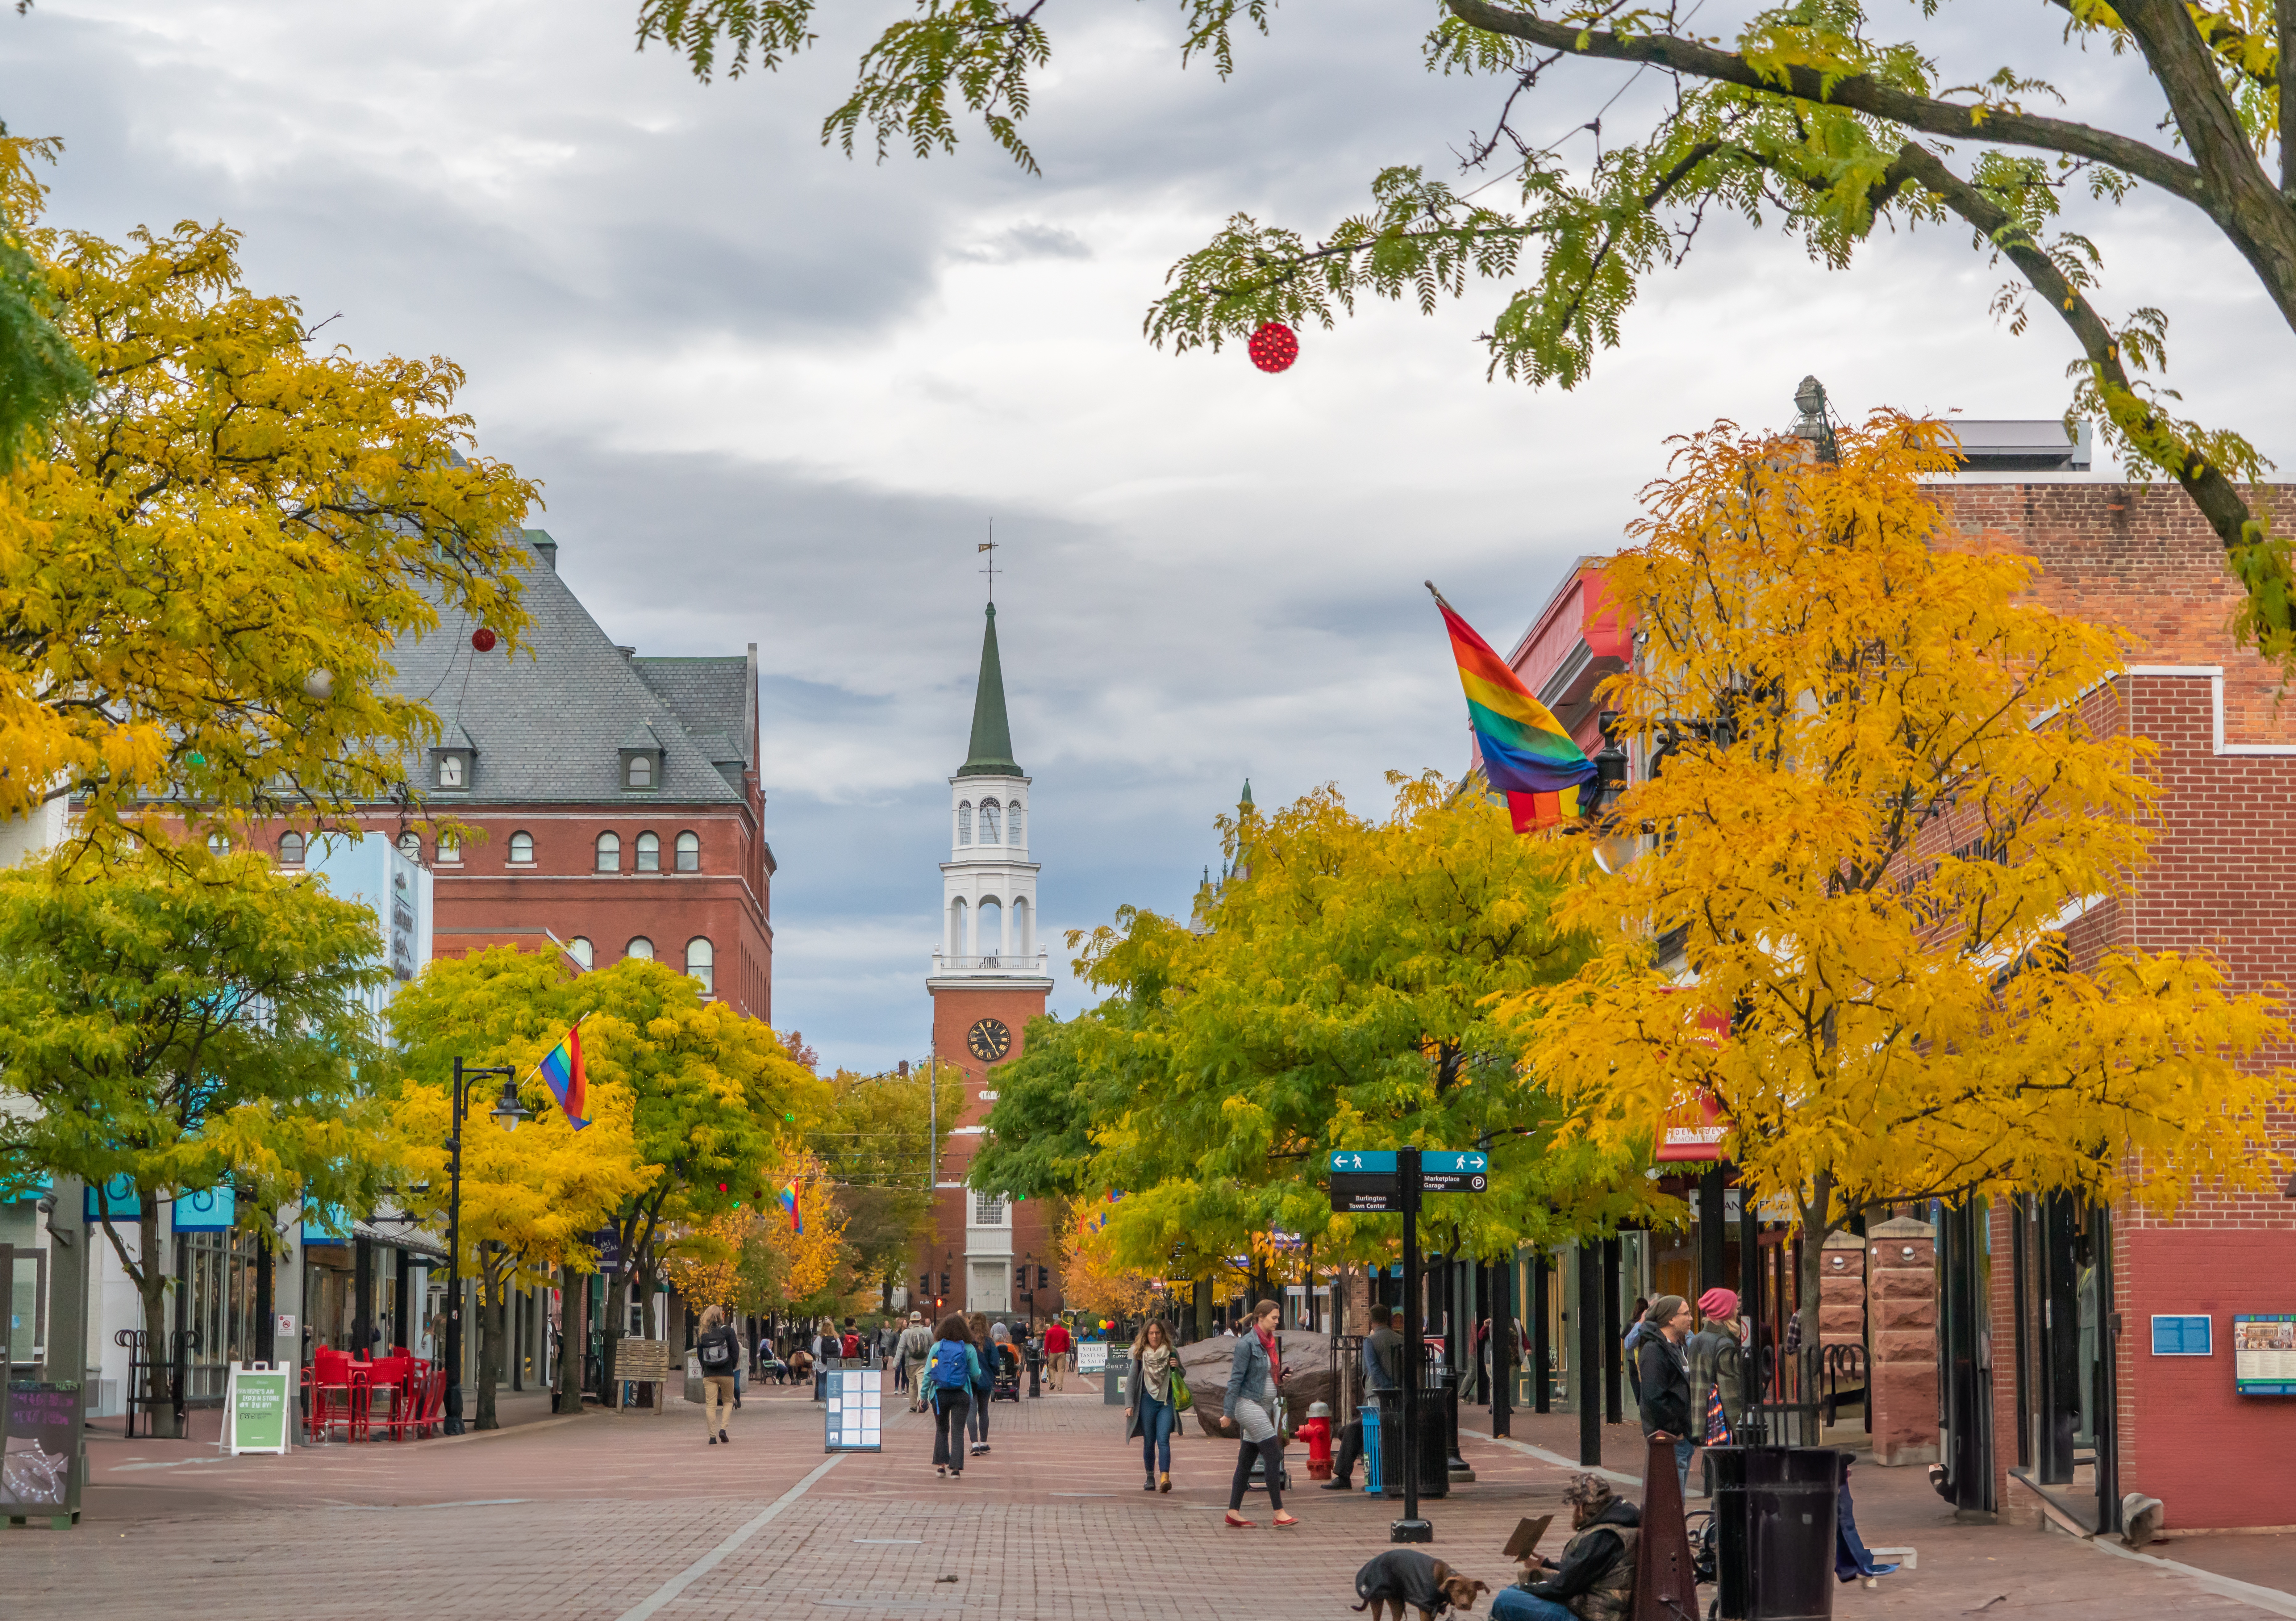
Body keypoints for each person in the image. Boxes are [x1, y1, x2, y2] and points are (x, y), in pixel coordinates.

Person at [1492, 1473, 1641, 1620]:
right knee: (1515, 1591)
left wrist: (1528, 1585)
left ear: (1582, 1508)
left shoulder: (1602, 1537)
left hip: (1591, 1615)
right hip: (1592, 1607)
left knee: (1506, 1600)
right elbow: (1583, 1572)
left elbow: (1564, 1587)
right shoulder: (1616, 1526)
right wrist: (1546, 1565)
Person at [1221, 1297, 1297, 1528]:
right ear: (1260, 1317)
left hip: (1263, 1405)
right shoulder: (1247, 1344)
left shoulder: (1269, 1344)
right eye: (1273, 1318)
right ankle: (1279, 1512)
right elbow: (1235, 1380)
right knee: (1274, 1455)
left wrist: (1280, 1378)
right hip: (1247, 1404)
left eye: (1277, 1318)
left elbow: (1267, 1377)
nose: (1277, 1321)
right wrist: (1228, 1413)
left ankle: (1233, 1511)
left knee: (1246, 1460)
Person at [1324, 1302, 1402, 1491]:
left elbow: (1374, 1370)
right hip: (1398, 1399)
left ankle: (1370, 1478)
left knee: (1368, 1434)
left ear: (1371, 1320)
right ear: (1389, 1320)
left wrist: (1387, 1391)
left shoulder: (1370, 1341)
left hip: (1377, 1399)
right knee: (1350, 1431)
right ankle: (1347, 1476)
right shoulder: (1400, 1340)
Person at [1634, 1294, 1697, 1496]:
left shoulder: (1679, 1348)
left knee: (1677, 1501)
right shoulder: (1654, 1350)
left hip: (1682, 1437)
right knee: (1672, 1502)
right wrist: (1674, 1429)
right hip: (1670, 1439)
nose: (1691, 1319)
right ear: (1670, 1318)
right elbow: (1653, 1396)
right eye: (1685, 1313)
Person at [1686, 1288, 1746, 1496]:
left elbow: (1697, 1385)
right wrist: (1742, 1430)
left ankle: (1716, 1521)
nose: (1737, 1310)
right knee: (1730, 1481)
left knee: (1717, 1482)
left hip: (1706, 1421)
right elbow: (1731, 1395)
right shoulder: (1724, 1343)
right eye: (1733, 1307)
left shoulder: (1697, 1339)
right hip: (1724, 1425)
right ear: (1725, 1311)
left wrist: (1698, 1427)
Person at [1126, 1318, 1181, 1493]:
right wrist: (1130, 1404)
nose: (1155, 1336)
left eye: (1158, 1333)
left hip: (1166, 1402)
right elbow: (1132, 1380)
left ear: (1162, 1335)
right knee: (1149, 1441)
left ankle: (1165, 1477)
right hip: (1147, 1402)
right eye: (1151, 1333)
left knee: (1164, 1440)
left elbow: (1182, 1374)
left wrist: (1177, 1367)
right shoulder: (1140, 1354)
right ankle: (1150, 1477)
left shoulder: (1172, 1352)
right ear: (1146, 1335)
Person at [925, 1313, 981, 1478]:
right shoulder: (969, 1348)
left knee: (941, 1430)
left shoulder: (937, 1348)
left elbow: (929, 1372)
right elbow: (975, 1373)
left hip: (939, 1394)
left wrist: (923, 1395)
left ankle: (941, 1467)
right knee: (958, 1432)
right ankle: (956, 1469)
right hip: (961, 1393)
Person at [695, 1305, 741, 1446]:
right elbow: (735, 1351)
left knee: (711, 1405)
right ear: (720, 1316)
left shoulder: (703, 1333)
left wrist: (706, 1368)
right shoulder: (727, 1331)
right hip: (726, 1372)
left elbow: (699, 1354)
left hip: (709, 1374)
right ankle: (723, 1430)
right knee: (728, 1402)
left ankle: (712, 1437)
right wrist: (731, 1366)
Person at [965, 1312, 995, 1454]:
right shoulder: (989, 1342)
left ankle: (974, 1444)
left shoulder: (967, 1343)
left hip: (970, 1381)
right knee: (984, 1411)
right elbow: (995, 1363)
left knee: (971, 1411)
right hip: (986, 1381)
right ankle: (984, 1443)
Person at [898, 1311, 934, 1411]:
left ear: (911, 1321)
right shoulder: (927, 1331)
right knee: (921, 1382)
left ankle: (913, 1406)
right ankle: (921, 1402)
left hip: (910, 1363)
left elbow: (901, 1348)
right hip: (924, 1362)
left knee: (912, 1384)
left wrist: (896, 1362)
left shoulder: (906, 1332)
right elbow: (934, 1346)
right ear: (920, 1320)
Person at [1042, 1317, 1072, 1390]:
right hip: (1062, 1352)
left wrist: (1046, 1354)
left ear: (1055, 1322)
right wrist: (1066, 1350)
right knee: (1061, 1369)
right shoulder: (1065, 1332)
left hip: (1053, 1352)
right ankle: (1060, 1386)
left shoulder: (1050, 1331)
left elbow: (1047, 1344)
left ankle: (1053, 1382)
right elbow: (1068, 1343)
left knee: (1051, 1367)